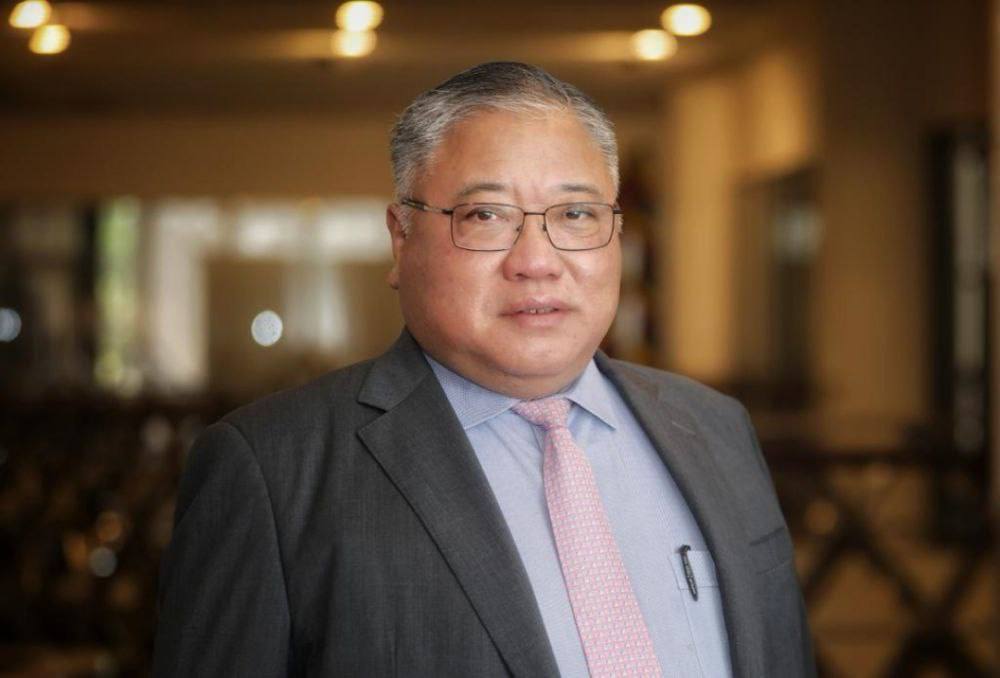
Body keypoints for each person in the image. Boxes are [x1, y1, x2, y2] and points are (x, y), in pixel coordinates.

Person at [153, 62, 815, 678]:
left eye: (576, 214)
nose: (537, 261)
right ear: (401, 239)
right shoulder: (271, 472)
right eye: (486, 216)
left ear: (617, 233)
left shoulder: (715, 429)